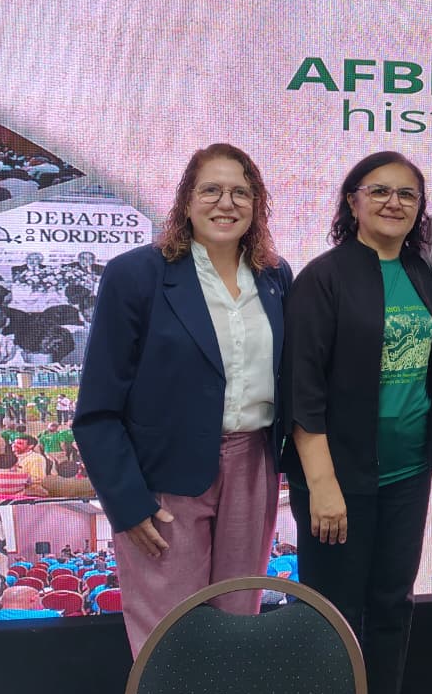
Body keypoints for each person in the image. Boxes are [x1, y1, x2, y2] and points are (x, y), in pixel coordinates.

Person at [74, 143, 292, 655]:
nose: (226, 203)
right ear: (186, 201)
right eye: (211, 190)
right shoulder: (137, 275)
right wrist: (127, 505)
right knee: (168, 639)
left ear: (257, 204)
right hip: (163, 477)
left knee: (238, 627)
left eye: (241, 192)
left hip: (253, 466)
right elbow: (97, 409)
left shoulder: (275, 277)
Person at [282, 151, 432, 694]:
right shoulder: (322, 278)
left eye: (407, 194)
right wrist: (323, 486)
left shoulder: (422, 272)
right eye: (380, 192)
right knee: (334, 616)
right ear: (352, 202)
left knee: (392, 608)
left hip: (407, 475)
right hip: (337, 481)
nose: (394, 203)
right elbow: (302, 391)